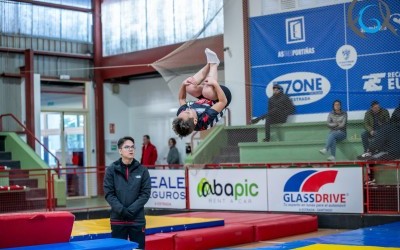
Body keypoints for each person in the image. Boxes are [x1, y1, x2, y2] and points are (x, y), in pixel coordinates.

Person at [103, 136, 151, 249]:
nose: (131, 149)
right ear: (120, 151)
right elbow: (109, 193)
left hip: (137, 220)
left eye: (132, 147)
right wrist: (122, 210)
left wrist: (131, 210)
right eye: (127, 147)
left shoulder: (142, 170)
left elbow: (145, 193)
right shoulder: (111, 170)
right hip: (118, 220)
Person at [172, 48, 232, 137]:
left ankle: (209, 63)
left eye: (184, 111)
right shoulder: (204, 120)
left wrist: (183, 84)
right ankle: (214, 64)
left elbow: (182, 98)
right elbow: (223, 102)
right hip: (222, 98)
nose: (186, 109)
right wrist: (215, 84)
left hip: (205, 99)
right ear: (195, 120)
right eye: (188, 112)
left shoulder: (182, 115)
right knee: (207, 91)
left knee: (189, 87)